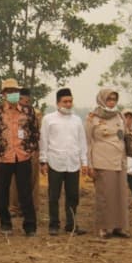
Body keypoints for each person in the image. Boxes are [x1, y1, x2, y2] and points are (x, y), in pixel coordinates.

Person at [0, 78, 40, 237]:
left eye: (15, 91)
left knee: (25, 192)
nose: (13, 94)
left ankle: (30, 226)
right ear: (3, 94)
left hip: (23, 157)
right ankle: (5, 224)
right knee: (3, 192)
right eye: (9, 92)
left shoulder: (28, 111)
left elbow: (35, 133)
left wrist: (30, 150)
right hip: (5, 157)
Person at [39, 88, 89, 236]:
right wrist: (43, 161)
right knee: (54, 195)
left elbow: (82, 142)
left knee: (73, 195)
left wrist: (84, 162)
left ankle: (71, 224)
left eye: (70, 101)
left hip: (73, 162)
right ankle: (54, 224)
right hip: (55, 161)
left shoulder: (77, 119)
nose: (68, 104)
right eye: (65, 101)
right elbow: (44, 141)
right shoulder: (49, 119)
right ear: (57, 103)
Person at [85, 88, 131, 239]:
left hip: (120, 160)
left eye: (114, 99)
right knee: (105, 196)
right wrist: (89, 164)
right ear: (102, 100)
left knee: (120, 195)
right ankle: (104, 228)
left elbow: (124, 135)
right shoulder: (93, 117)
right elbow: (88, 142)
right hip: (102, 161)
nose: (112, 102)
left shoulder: (119, 116)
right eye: (109, 99)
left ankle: (119, 227)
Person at [9, 87, 42, 215]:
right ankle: (15, 207)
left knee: (33, 179)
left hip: (32, 150)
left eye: (27, 99)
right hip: (15, 149)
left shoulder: (36, 113)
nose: (25, 101)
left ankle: (32, 207)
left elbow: (38, 132)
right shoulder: (11, 112)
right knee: (15, 180)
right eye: (22, 99)